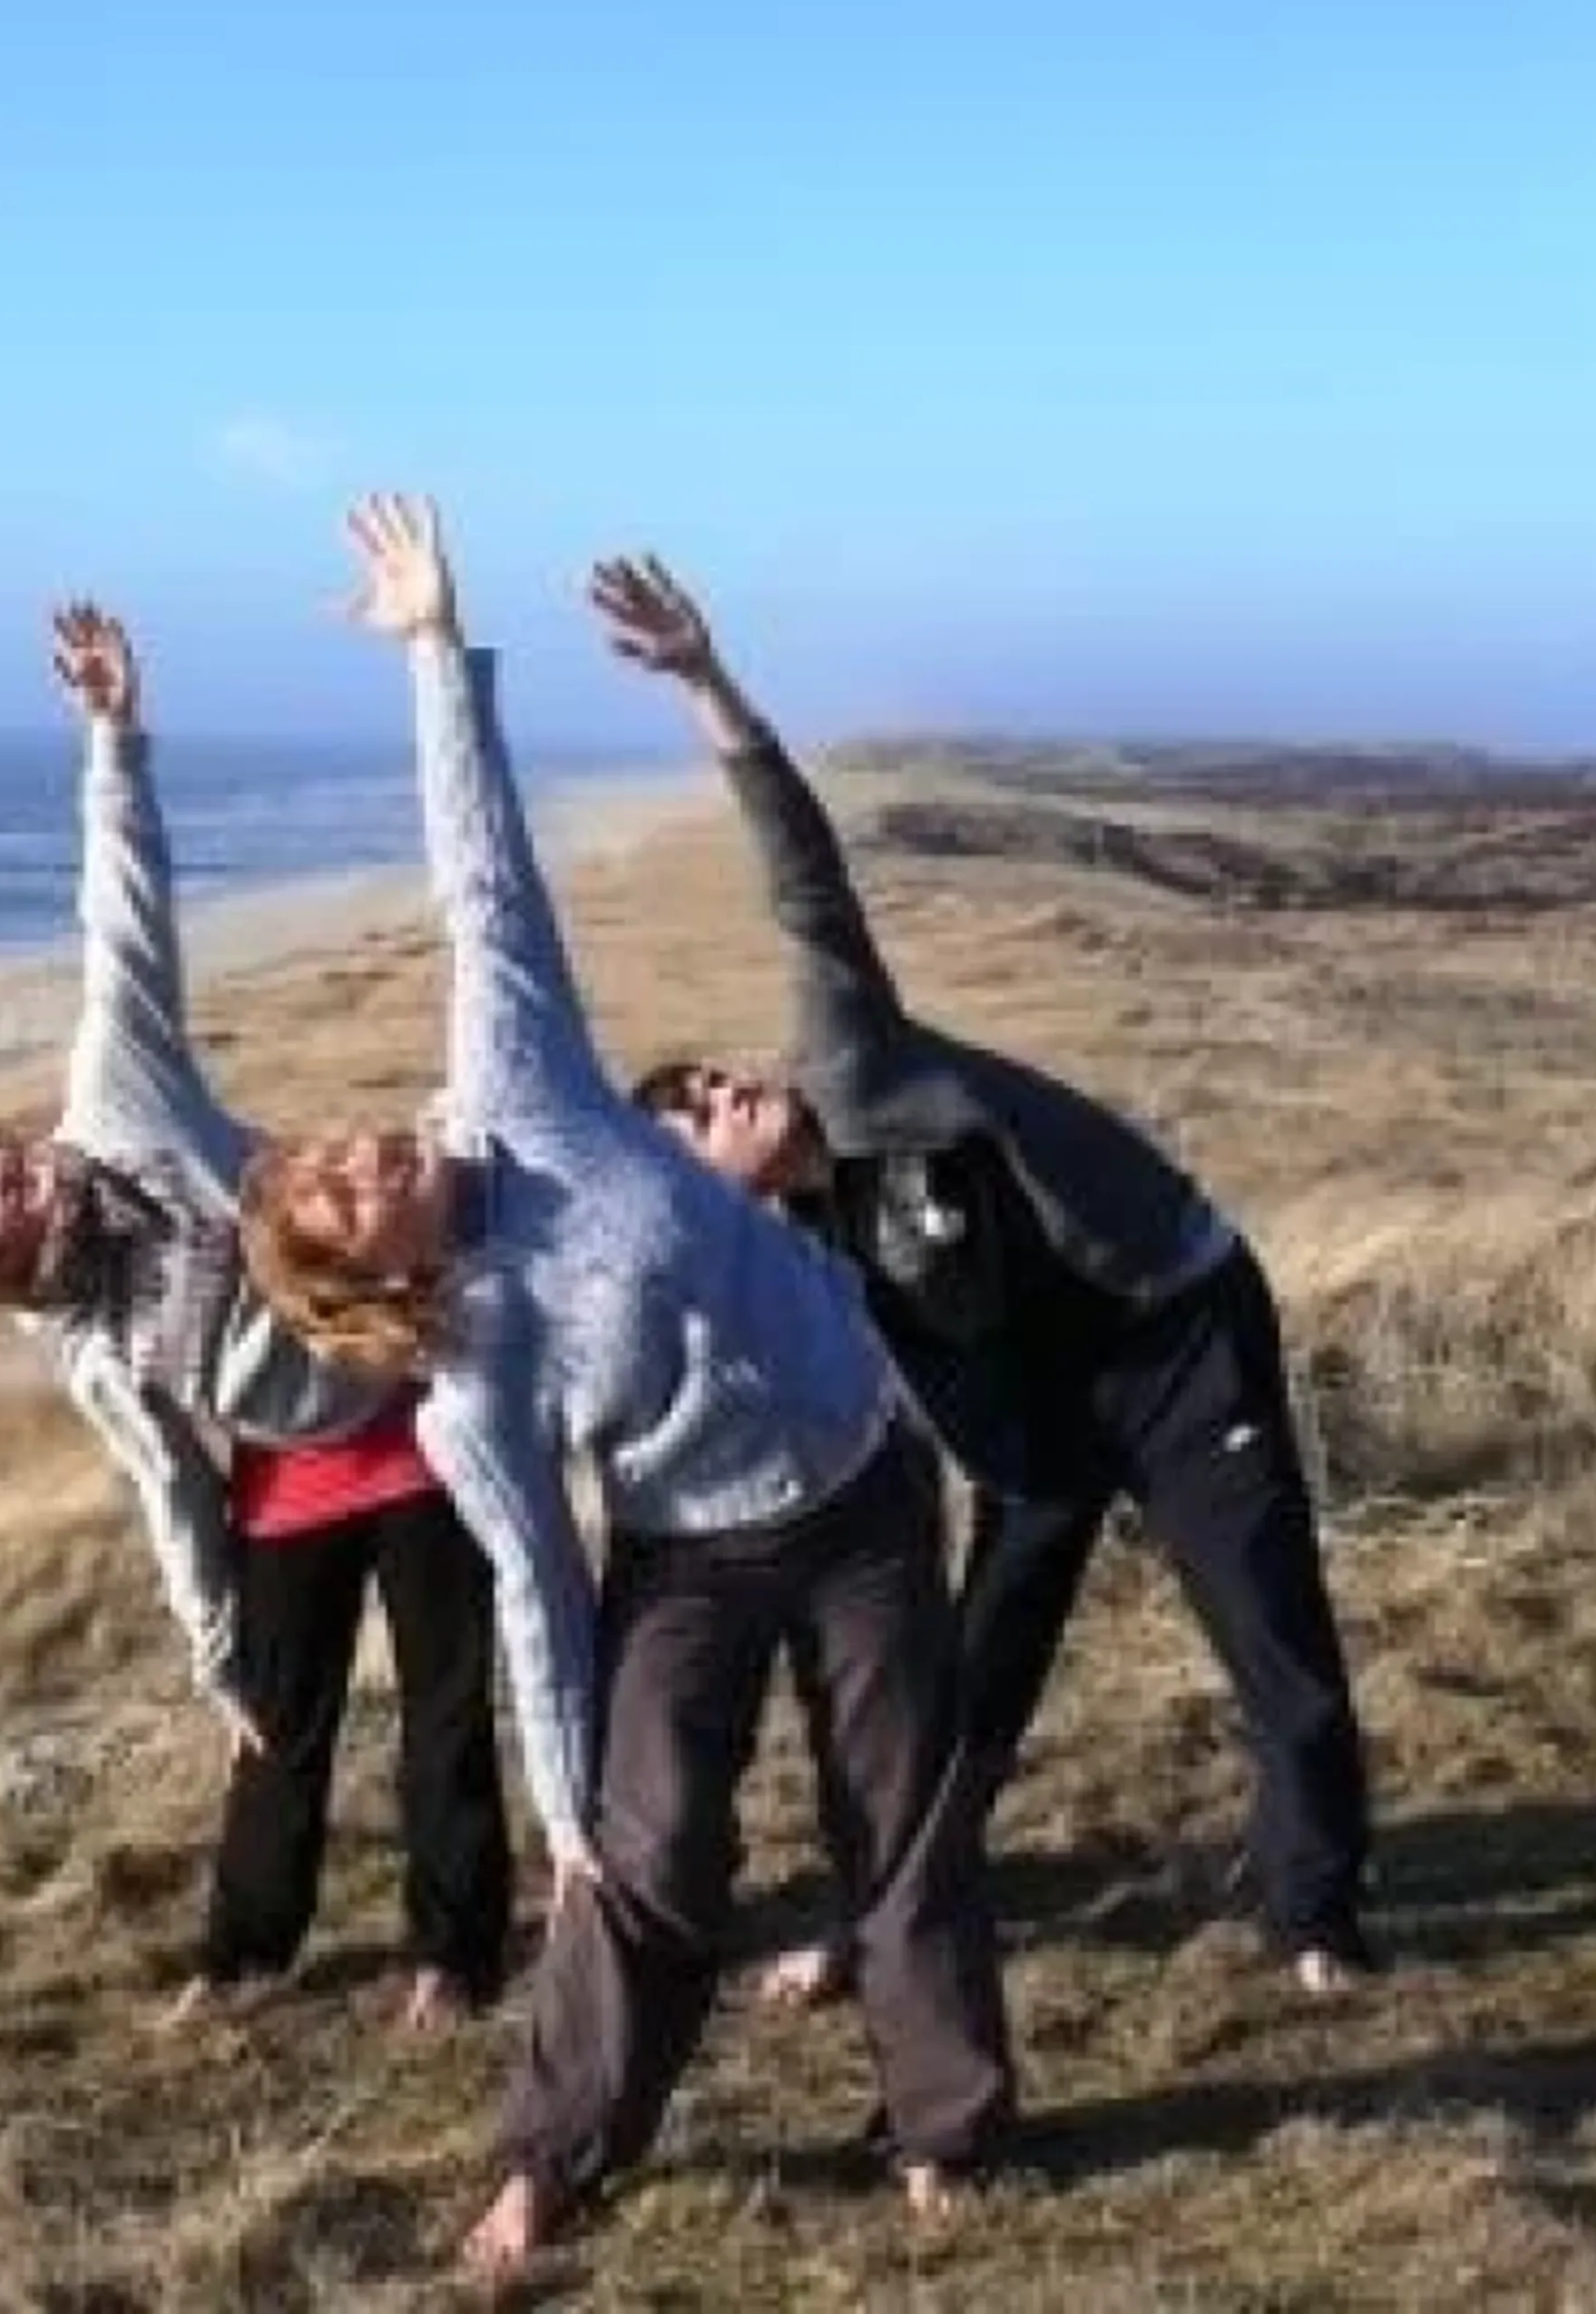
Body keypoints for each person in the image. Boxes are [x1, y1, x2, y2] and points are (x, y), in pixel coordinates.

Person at [234, 497, 1014, 2283]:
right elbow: (533, 1588)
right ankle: (555, 2156)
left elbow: (480, 875)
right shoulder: (464, 1382)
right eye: (335, 1191)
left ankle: (947, 2123)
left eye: (339, 1145)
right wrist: (568, 1807)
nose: (358, 1145)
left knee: (898, 1813)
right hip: (693, 1554)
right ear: (366, 1276)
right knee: (644, 1856)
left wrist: (437, 652)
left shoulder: (522, 1091)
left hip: (866, 1482)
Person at [590, 553, 1383, 1998]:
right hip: (1037, 1435)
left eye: (711, 1074)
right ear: (704, 1186)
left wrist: (710, 685)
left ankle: (1315, 1912)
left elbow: (804, 884)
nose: (731, 1088)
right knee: (959, 1693)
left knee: (1270, 1628)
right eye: (701, 1113)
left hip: (1177, 1332)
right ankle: (878, 1922)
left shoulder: (853, 1068)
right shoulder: (775, 1264)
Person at [0, 602, 511, 2027]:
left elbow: (122, 921)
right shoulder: (85, 1344)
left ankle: (454, 1957)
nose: (2, 1178)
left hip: (412, 1413)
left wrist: (111, 737)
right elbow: (169, 1482)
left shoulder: (119, 1107)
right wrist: (216, 1657)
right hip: (286, 1483)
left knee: (445, 1715)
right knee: (274, 1739)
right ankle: (244, 1962)